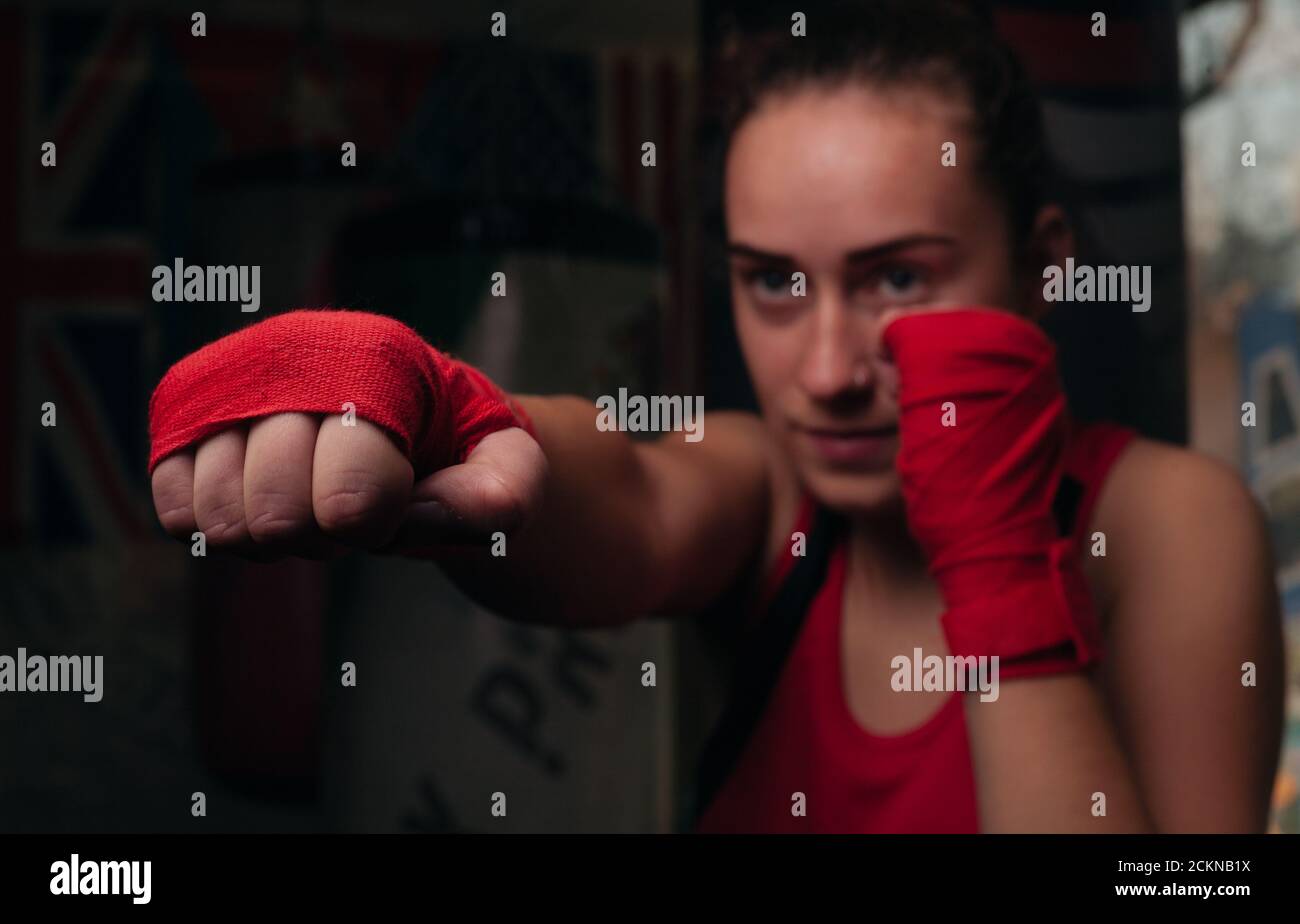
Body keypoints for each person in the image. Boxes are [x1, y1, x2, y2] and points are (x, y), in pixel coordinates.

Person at [147, 0, 1284, 832]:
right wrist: (446, 407)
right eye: (774, 282)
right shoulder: (773, 497)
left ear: (1039, 269)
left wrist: (996, 577)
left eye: (897, 279)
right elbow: (629, 489)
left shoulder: (1157, 526)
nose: (830, 370)